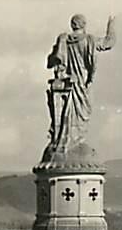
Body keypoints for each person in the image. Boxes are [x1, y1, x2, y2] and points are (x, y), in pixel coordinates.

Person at [45, 14, 116, 153]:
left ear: (72, 25)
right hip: (82, 84)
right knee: (81, 115)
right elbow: (108, 42)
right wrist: (111, 25)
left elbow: (52, 60)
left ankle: (65, 141)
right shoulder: (89, 40)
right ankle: (75, 142)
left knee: (66, 114)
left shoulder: (63, 39)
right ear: (84, 25)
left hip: (68, 84)